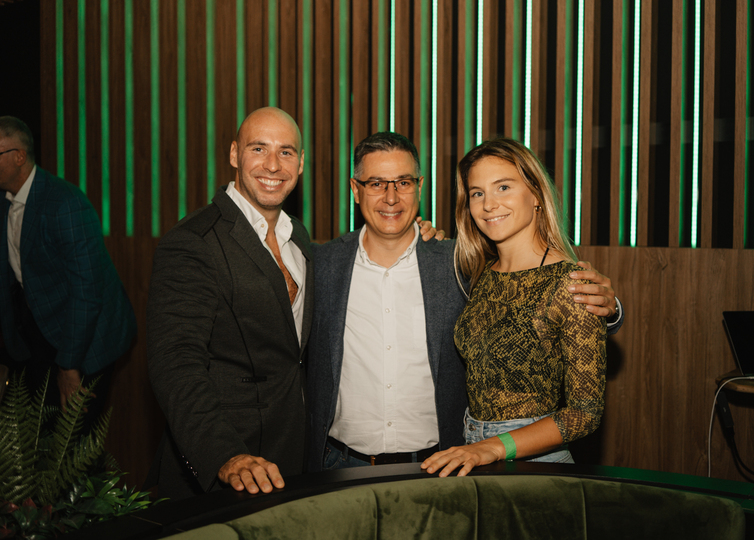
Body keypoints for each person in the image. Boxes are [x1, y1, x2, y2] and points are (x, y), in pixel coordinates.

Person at [308, 132, 621, 472]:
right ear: (356, 190)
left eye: (403, 182)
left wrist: (611, 310)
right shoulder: (323, 264)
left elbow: (580, 393)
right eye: (376, 184)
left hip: (447, 461)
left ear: (419, 187)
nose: (391, 197)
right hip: (347, 462)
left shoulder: (455, 263)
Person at [146, 107, 312, 499]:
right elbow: (175, 363)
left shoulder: (299, 237)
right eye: (259, 148)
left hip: (291, 459)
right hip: (225, 471)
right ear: (235, 154)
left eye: (286, 152)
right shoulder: (194, 241)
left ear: (301, 163)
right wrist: (224, 455)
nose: (273, 164)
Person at [422, 138, 606, 477]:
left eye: (503, 187)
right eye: (477, 193)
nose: (489, 204)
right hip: (470, 449)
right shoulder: (480, 272)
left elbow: (585, 413)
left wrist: (494, 446)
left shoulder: (570, 283)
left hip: (536, 462)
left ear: (535, 194)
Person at [0, 116, 136, 428]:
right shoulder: (5, 201)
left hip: (89, 340)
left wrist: (69, 366)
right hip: (42, 332)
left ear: (19, 156)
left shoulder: (65, 204)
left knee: (72, 439)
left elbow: (87, 293)